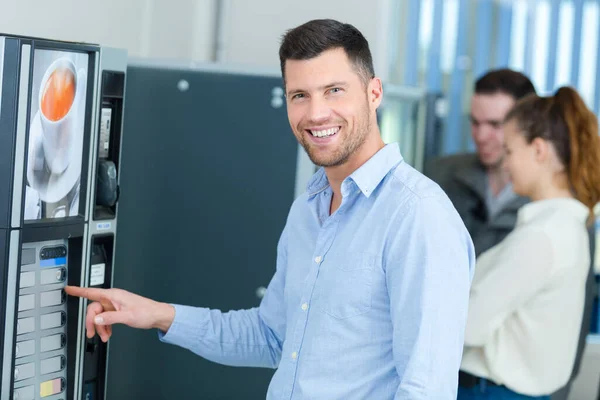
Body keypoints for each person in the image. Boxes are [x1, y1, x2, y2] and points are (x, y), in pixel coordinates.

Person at [66, 19, 474, 399]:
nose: (316, 113)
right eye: (300, 95)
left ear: (373, 93)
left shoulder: (417, 215)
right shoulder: (308, 210)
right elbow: (270, 337)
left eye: (334, 90)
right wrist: (157, 315)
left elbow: (427, 388)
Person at [457, 87, 600, 399]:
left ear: (538, 150)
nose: (505, 164)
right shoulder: (565, 227)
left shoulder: (541, 237)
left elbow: (469, 326)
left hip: (492, 392)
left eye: (509, 151)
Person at [425, 69, 536, 256]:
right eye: (475, 123)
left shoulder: (549, 198)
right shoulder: (437, 176)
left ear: (529, 124)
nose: (481, 136)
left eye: (495, 125)